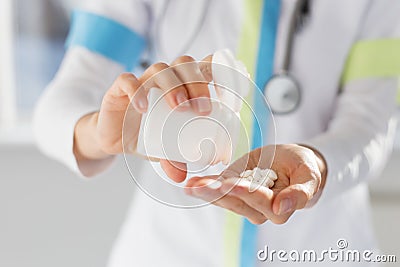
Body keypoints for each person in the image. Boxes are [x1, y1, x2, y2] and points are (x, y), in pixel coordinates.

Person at [33, 0, 399, 266]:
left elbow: (370, 123)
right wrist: (99, 133)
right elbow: (57, 106)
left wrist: (318, 165)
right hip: (169, 252)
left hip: (321, 249)